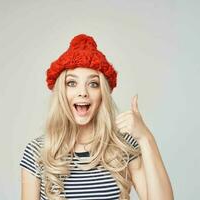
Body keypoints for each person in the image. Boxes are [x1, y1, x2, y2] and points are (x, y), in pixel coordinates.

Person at [19, 34, 174, 200]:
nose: (83, 92)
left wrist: (146, 138)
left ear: (102, 94)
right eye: (72, 83)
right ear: (61, 92)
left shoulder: (123, 147)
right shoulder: (37, 152)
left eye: (93, 84)